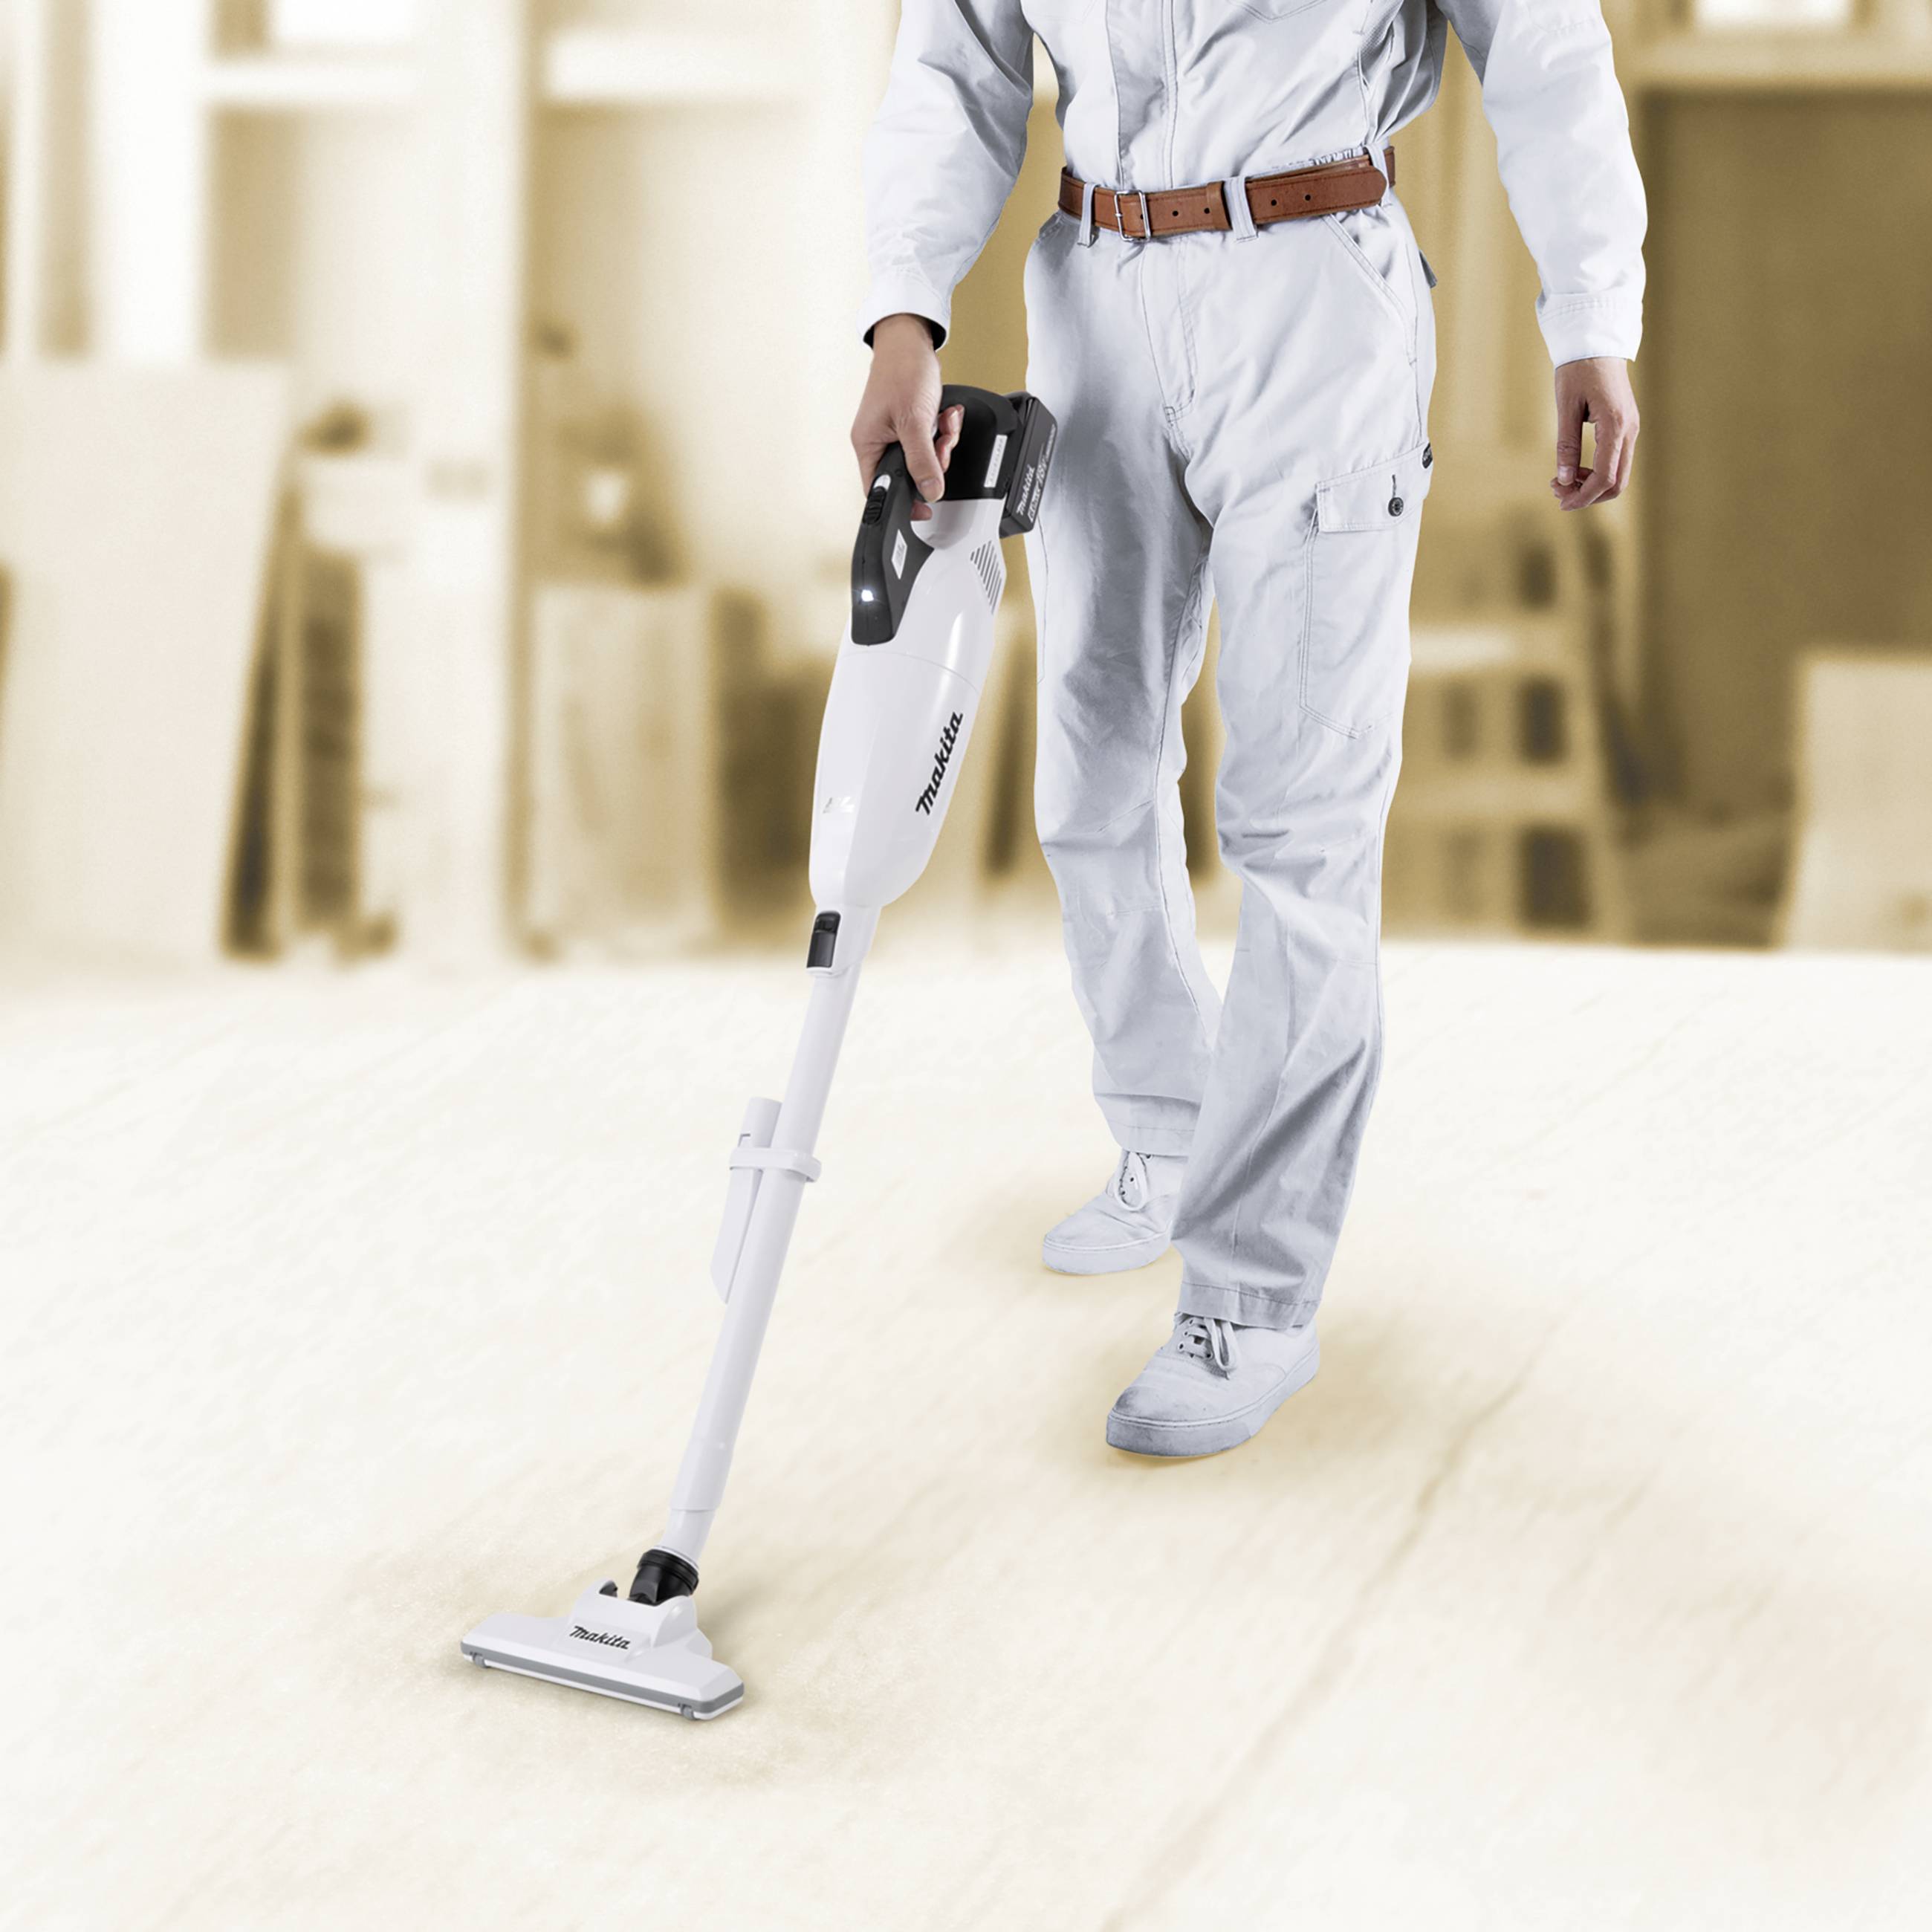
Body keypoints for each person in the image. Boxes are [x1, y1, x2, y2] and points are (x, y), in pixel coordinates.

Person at [850, 1, 1644, 1458]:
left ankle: (1254, 1298)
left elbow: (1541, 51)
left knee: (1298, 822)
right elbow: (954, 67)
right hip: (1093, 290)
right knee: (1089, 775)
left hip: (1310, 295)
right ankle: (1164, 1129)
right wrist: (904, 314)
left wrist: (1591, 317)